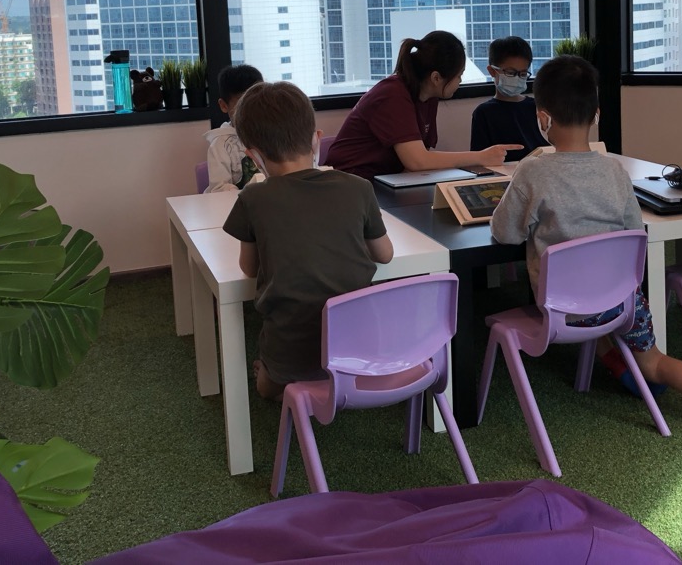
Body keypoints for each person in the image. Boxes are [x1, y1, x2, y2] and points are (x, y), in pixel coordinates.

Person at [489, 55, 682, 430]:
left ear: (543, 117)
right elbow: (635, 232)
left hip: (563, 310)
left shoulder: (531, 171)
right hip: (622, 304)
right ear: (596, 113)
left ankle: (616, 363)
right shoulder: (615, 170)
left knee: (577, 307)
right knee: (654, 361)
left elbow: (505, 234)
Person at [223, 82, 394, 400]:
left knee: (266, 386)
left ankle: (273, 379)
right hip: (360, 349)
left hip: (292, 354)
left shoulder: (253, 197)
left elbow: (248, 269)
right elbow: (385, 254)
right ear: (317, 140)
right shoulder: (358, 188)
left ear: (254, 156)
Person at [324, 30, 521, 181]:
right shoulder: (392, 95)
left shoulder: (427, 97)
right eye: (458, 75)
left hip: (386, 181)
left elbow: (422, 158)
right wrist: (480, 157)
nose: (460, 81)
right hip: (350, 184)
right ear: (436, 77)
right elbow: (417, 161)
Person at [470, 36, 546, 163]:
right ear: (492, 71)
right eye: (511, 73)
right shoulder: (484, 113)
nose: (517, 78)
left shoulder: (537, 107)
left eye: (522, 74)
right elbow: (479, 160)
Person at [204, 64, 264, 192]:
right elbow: (219, 188)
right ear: (224, 106)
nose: (250, 111)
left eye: (256, 103)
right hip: (235, 206)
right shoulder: (220, 144)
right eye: (241, 105)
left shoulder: (271, 133)